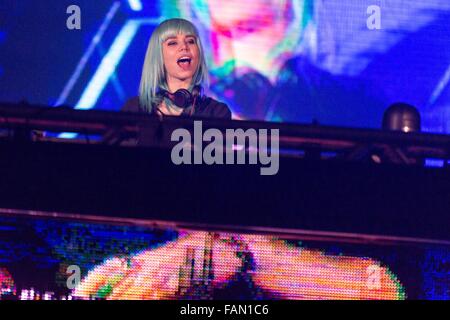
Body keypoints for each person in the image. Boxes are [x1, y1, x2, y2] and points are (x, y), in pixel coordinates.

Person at [74, 18, 404, 300]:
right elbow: (69, 279)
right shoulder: (120, 213)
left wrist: (241, 253)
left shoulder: (320, 199)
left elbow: (387, 288)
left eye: (251, 31)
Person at [122, 18, 231, 120]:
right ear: (158, 56)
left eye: (191, 41)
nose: (184, 46)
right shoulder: (135, 108)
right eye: (173, 43)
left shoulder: (216, 112)